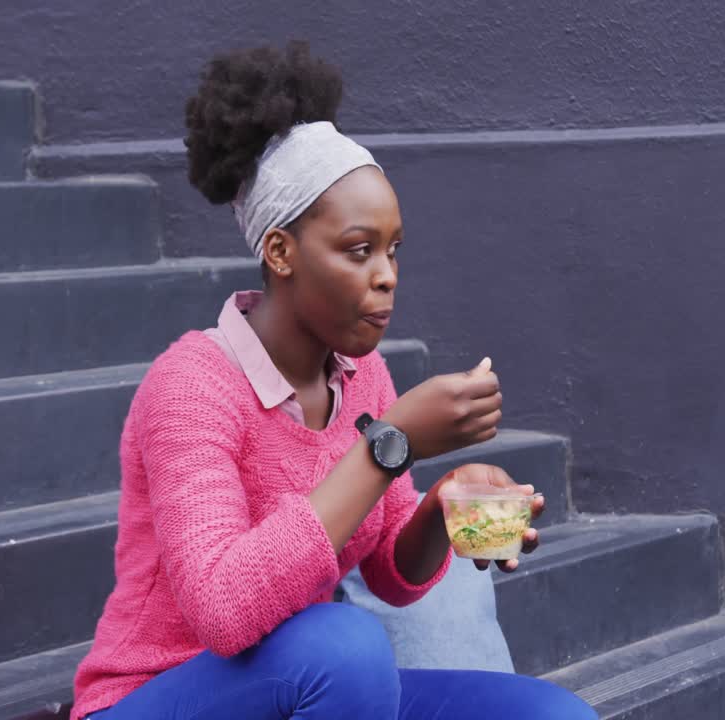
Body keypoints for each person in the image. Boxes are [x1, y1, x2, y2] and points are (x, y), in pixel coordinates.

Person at [71, 41, 598, 720]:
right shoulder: (191, 387)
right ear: (281, 252)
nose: (387, 274)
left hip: (314, 687)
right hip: (160, 697)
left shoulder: (361, 376)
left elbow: (387, 571)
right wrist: (392, 444)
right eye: (359, 250)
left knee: (554, 717)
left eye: (393, 248)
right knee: (344, 647)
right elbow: (226, 612)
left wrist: (442, 511)